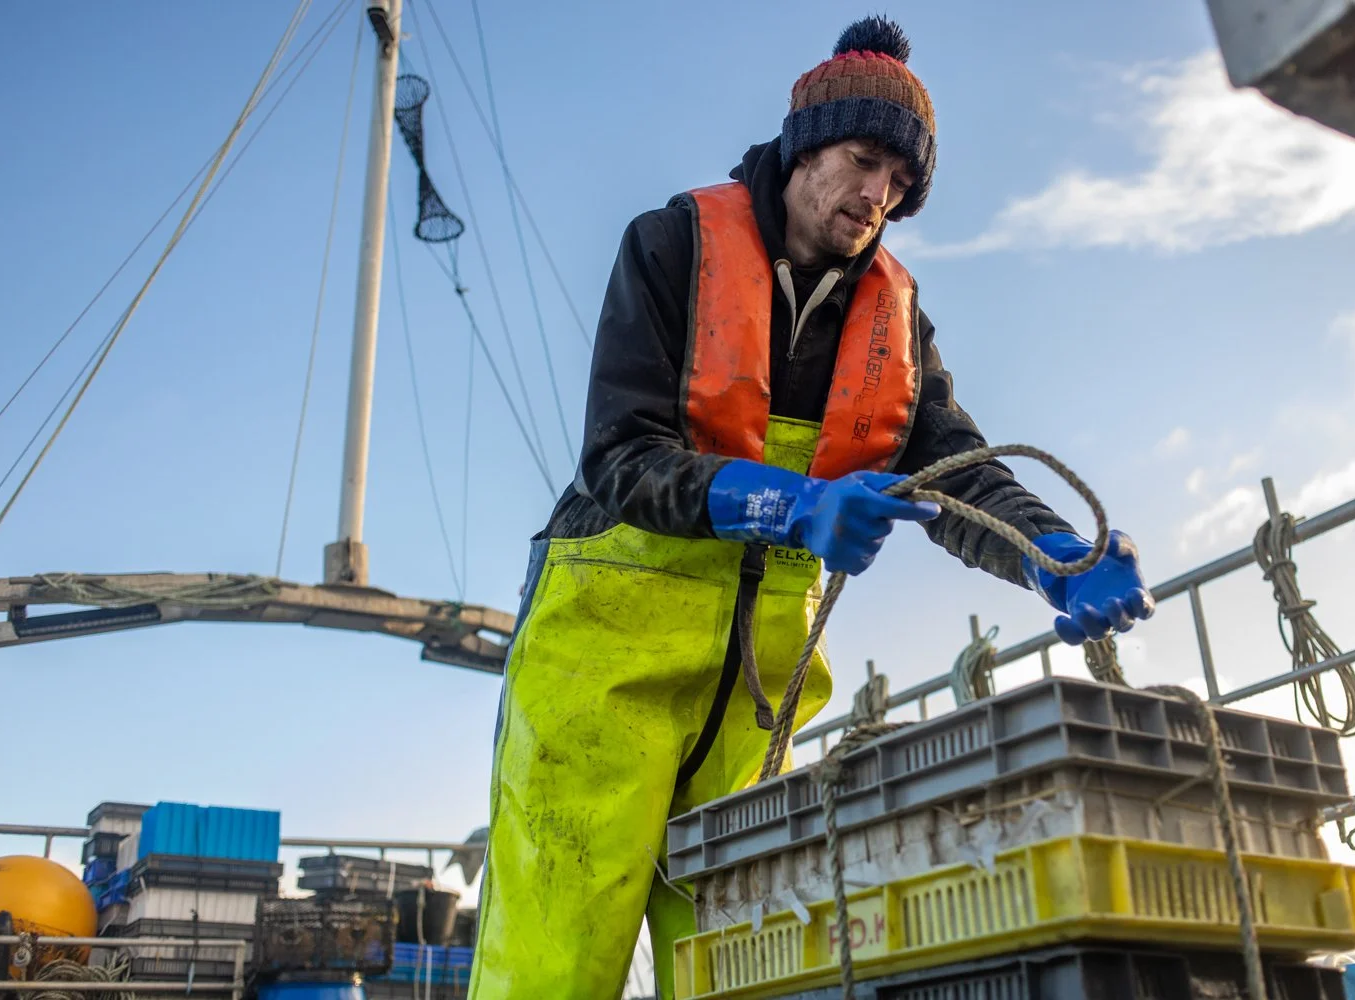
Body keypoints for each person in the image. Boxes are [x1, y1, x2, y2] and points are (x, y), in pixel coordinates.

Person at [471, 15, 1154, 999]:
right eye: (863, 158)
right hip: (598, 673)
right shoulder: (673, 246)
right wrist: (787, 504)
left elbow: (957, 473)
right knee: (551, 958)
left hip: (757, 695)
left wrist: (1052, 550)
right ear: (804, 148)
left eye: (900, 181)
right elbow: (619, 457)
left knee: (736, 972)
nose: (878, 193)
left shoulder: (896, 320)